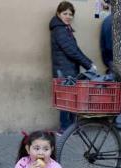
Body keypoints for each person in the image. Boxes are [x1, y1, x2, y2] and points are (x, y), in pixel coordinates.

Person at [50, 1, 96, 134]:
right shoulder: (60, 30)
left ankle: (69, 128)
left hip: (68, 69)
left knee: (68, 99)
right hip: (64, 70)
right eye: (65, 13)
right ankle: (65, 128)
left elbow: (75, 49)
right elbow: (71, 50)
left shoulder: (65, 29)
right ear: (58, 14)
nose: (68, 16)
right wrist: (88, 65)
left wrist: (89, 63)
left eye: (71, 14)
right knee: (66, 100)